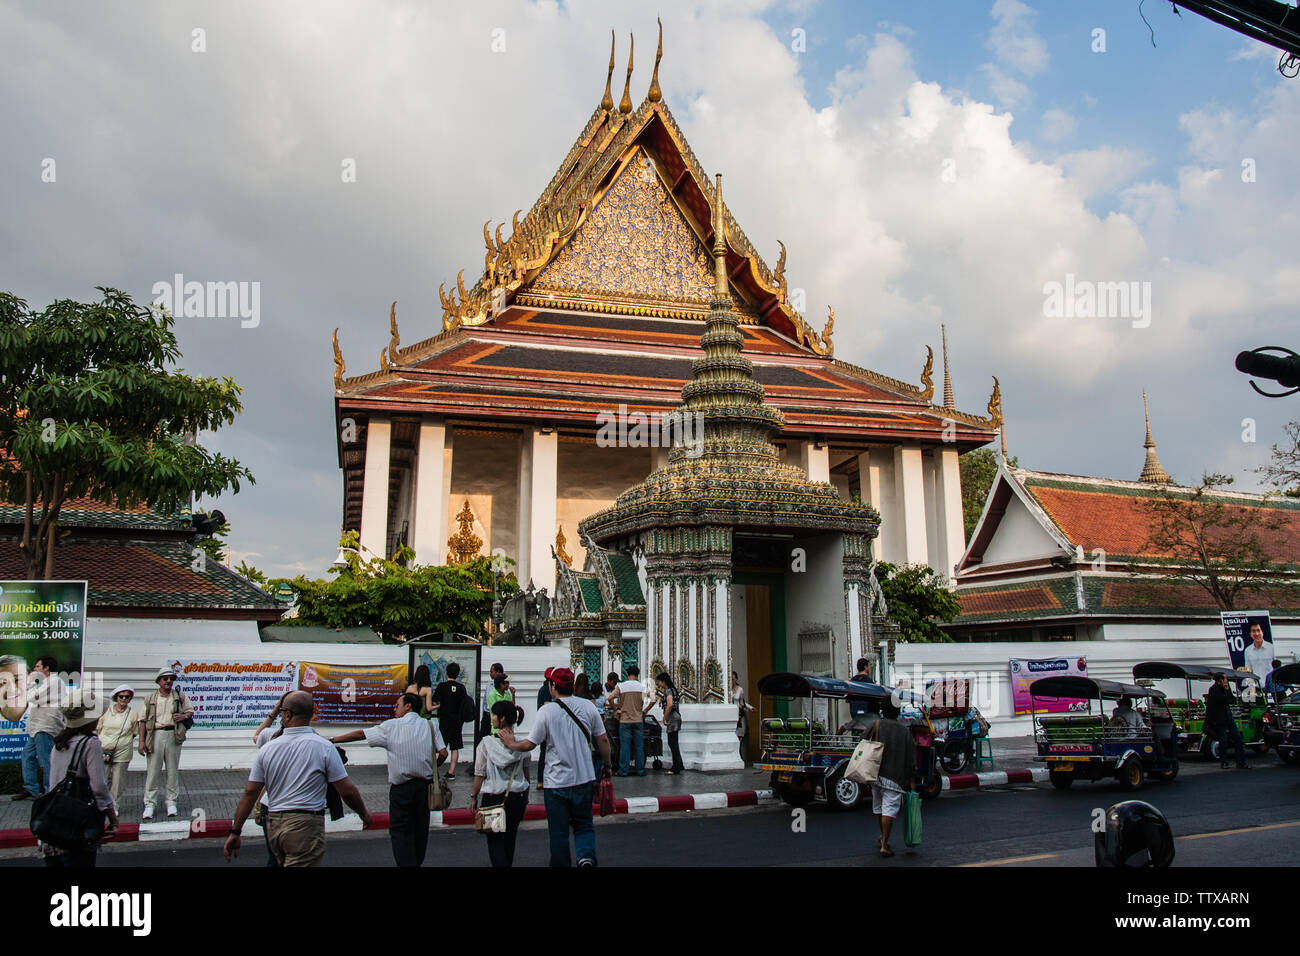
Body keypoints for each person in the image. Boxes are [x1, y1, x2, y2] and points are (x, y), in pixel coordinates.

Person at [224, 691, 372, 867]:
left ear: (287, 715)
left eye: (282, 712)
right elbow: (346, 790)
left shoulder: (268, 748)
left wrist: (235, 831)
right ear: (310, 715)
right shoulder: (323, 747)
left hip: (274, 823)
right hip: (305, 825)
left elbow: (250, 792)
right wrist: (363, 813)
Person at [500, 667, 611, 867]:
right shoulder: (588, 707)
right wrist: (608, 765)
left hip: (556, 783)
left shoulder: (547, 711)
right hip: (583, 779)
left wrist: (511, 744)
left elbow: (530, 744)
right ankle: (585, 857)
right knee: (584, 825)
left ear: (553, 687)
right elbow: (602, 740)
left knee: (558, 831)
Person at [331, 692, 447, 867]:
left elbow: (361, 734)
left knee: (400, 831)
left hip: (401, 790)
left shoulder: (391, 726)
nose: (395, 709)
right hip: (424, 788)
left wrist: (332, 740)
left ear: (408, 706)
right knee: (420, 830)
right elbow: (444, 753)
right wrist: (432, 769)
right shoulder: (431, 725)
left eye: (397, 705)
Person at [40, 688, 118, 868]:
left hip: (54, 823)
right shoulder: (90, 743)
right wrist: (112, 817)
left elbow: (54, 783)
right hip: (77, 823)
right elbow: (98, 786)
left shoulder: (59, 743)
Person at [469, 700, 531, 867]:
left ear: (502, 719)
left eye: (494, 715)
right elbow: (526, 774)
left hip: (494, 798)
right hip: (517, 795)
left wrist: (474, 796)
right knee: (510, 838)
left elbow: (479, 774)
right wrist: (527, 795)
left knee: (495, 840)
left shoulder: (486, 744)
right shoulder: (522, 744)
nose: (492, 718)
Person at [137, 666, 194, 819]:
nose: (169, 681)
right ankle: (149, 804)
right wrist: (141, 741)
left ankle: (171, 803)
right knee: (153, 771)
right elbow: (142, 721)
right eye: (165, 678)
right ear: (159, 681)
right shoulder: (150, 698)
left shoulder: (179, 696)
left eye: (171, 678)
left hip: (173, 735)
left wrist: (182, 717)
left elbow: (190, 711)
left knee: (172, 771)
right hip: (155, 734)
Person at [13, 656, 64, 801]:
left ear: (46, 668)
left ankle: (50, 791)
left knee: (45, 760)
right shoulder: (45, 683)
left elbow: (32, 698)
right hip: (37, 727)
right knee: (27, 756)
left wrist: (29, 683)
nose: (35, 670)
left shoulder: (54, 682)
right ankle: (31, 788)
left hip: (45, 726)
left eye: (37, 667)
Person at [871, 699, 915, 858]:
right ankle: (884, 844)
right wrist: (911, 780)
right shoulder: (904, 731)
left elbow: (863, 741)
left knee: (880, 808)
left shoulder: (876, 725)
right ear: (897, 711)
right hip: (895, 777)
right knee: (888, 809)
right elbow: (911, 758)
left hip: (875, 774)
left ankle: (883, 838)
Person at [96, 684, 139, 807]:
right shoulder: (106, 712)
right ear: (116, 697)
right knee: (102, 779)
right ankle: (101, 804)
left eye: (127, 697)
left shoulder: (133, 714)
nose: (124, 699)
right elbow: (98, 729)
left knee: (118, 780)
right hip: (104, 750)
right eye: (121, 696)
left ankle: (114, 805)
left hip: (123, 750)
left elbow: (134, 732)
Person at [1204, 673, 1249, 770]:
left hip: (1228, 717)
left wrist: (1227, 690)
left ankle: (1241, 762)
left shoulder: (1224, 689)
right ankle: (1224, 762)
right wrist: (1226, 690)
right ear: (1220, 680)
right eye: (1225, 679)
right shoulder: (1214, 689)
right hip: (1220, 719)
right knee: (1223, 741)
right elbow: (1223, 699)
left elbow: (1231, 699)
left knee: (1237, 738)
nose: (1226, 681)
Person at [611, 665, 647, 776]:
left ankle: (623, 770)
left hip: (625, 720)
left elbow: (610, 698)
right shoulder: (641, 687)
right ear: (637, 675)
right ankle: (640, 770)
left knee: (625, 746)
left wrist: (616, 710)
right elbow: (653, 699)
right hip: (638, 719)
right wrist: (645, 711)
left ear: (627, 674)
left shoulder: (621, 686)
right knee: (639, 746)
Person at [649, 672, 684, 774]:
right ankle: (679, 764)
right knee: (674, 742)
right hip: (676, 716)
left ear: (663, 681)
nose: (659, 684)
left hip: (672, 717)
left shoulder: (668, 691)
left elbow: (669, 705)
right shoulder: (673, 690)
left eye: (659, 681)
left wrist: (664, 718)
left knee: (672, 743)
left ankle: (676, 767)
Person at [478, 662, 510, 745]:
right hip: (487, 715)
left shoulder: (505, 691)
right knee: (483, 739)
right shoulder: (489, 684)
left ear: (498, 672)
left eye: (491, 672)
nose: (490, 674)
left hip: (496, 717)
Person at [535, 667, 555, 789]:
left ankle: (542, 779)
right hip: (547, 726)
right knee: (545, 753)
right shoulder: (547, 690)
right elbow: (548, 707)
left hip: (544, 725)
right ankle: (542, 779)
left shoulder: (544, 689)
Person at [732, 671, 755, 763]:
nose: (732, 681)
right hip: (730, 715)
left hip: (738, 716)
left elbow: (742, 703)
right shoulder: (726, 689)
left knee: (738, 739)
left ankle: (738, 757)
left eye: (733, 679)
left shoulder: (740, 690)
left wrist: (750, 707)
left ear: (736, 679)